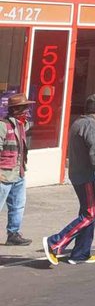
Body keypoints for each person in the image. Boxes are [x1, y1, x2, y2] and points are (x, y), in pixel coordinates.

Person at [42, 93, 95, 266]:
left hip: (77, 174)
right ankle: (55, 243)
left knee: (88, 213)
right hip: (88, 176)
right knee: (91, 213)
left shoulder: (78, 123)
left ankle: (81, 253)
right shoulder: (92, 126)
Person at [1, 92, 32, 246]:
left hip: (18, 173)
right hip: (4, 174)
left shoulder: (21, 125)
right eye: (24, 107)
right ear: (16, 109)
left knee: (18, 205)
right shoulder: (3, 125)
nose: (27, 110)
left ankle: (13, 234)